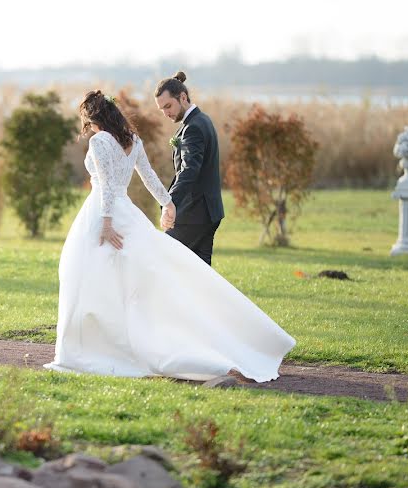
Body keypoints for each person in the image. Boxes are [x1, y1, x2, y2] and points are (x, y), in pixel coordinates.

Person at [43, 90, 294, 382]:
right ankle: (111, 342)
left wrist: (108, 223)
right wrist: (167, 203)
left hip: (104, 214)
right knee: (114, 281)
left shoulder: (100, 141)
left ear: (92, 118)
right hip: (128, 212)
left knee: (86, 278)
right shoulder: (132, 140)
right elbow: (148, 175)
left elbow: (108, 187)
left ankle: (96, 349)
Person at [155, 71, 224, 266]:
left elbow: (188, 170)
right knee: (201, 274)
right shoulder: (202, 120)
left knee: (164, 261)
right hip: (208, 212)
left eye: (168, 106)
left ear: (182, 97)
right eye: (162, 109)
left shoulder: (193, 127)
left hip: (194, 213)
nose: (166, 113)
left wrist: (170, 204)